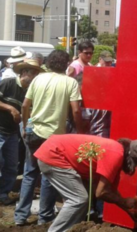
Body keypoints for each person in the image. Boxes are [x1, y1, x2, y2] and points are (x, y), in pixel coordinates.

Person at [15, 50, 84, 226]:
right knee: (48, 177)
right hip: (54, 137)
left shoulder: (38, 79)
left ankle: (20, 216)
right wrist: (80, 129)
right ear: (67, 63)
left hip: (34, 132)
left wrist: (25, 126)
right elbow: (76, 110)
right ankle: (44, 217)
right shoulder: (70, 82)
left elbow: (25, 105)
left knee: (29, 173)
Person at [34, 134, 137, 232]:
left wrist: (129, 210)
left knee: (81, 200)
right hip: (54, 154)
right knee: (79, 199)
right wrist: (124, 202)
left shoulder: (118, 153)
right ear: (132, 159)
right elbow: (100, 192)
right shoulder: (116, 155)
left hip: (56, 150)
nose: (136, 168)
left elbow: (110, 190)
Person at [0, 59, 43, 205]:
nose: (35, 76)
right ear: (24, 72)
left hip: (12, 132)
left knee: (11, 165)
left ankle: (3, 194)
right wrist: (10, 108)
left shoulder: (30, 90)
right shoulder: (8, 83)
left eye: (37, 73)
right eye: (33, 72)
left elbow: (29, 111)